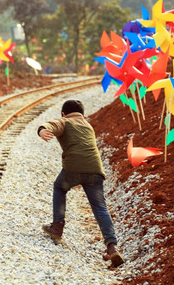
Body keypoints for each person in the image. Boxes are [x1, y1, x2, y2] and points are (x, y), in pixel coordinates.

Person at [37, 100, 124, 267]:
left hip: (73, 167)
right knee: (100, 207)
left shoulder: (64, 121)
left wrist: (41, 130)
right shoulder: (87, 125)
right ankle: (112, 247)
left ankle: (57, 226)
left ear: (63, 113)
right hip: (95, 169)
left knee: (59, 187)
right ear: (83, 115)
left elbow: (51, 125)